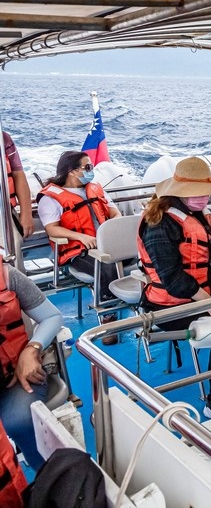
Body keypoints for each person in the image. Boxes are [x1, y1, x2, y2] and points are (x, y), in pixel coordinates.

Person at [137, 157, 211, 418]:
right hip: (169, 306)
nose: (203, 198)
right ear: (178, 192)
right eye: (196, 193)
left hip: (206, 293)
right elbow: (173, 279)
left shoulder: (203, 216)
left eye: (206, 193)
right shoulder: (159, 224)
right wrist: (210, 302)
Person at [38, 150, 120, 344]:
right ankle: (109, 319)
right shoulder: (51, 198)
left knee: (141, 259)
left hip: (106, 244)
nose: (92, 171)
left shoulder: (96, 189)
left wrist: (110, 231)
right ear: (72, 171)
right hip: (78, 251)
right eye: (88, 167)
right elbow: (52, 229)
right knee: (106, 269)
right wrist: (81, 237)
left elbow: (115, 213)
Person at [0, 262, 63, 470]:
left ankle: (50, 477)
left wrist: (32, 348)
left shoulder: (8, 276)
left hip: (15, 375)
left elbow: (52, 317)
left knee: (19, 421)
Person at [3, 132, 35, 270]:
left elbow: (18, 174)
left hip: (4, 212)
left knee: (12, 255)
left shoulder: (3, 138)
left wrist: (26, 214)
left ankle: (16, 282)